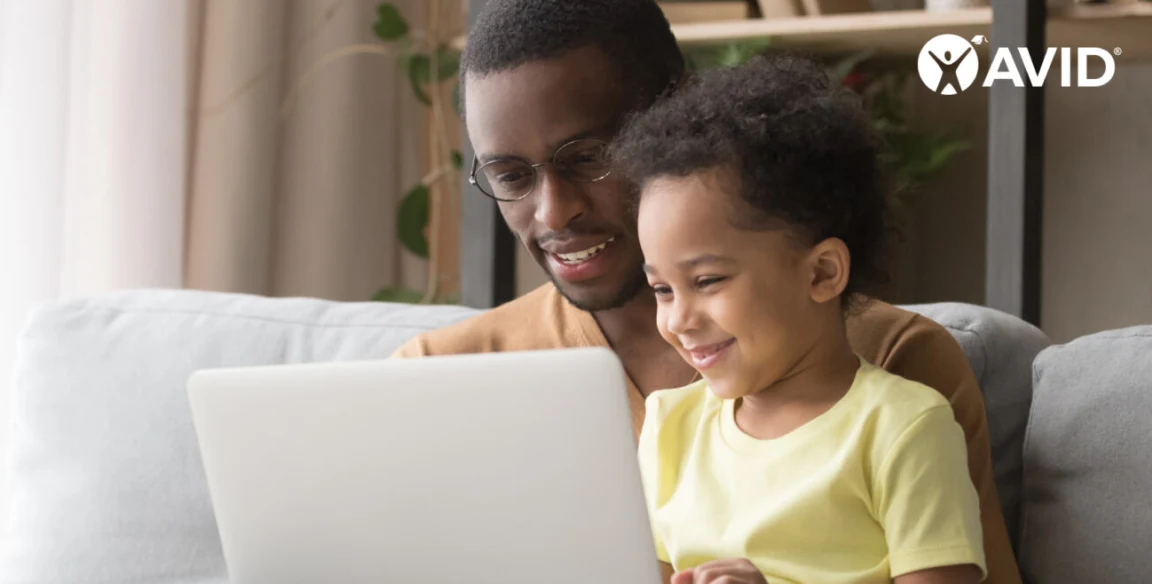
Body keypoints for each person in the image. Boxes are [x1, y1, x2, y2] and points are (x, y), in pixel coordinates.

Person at [391, 1, 1020, 582]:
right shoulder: (436, 377)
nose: (553, 213)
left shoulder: (900, 369)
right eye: (510, 175)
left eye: (588, 157)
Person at [613, 53, 985, 584]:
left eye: (708, 281)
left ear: (822, 273)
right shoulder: (670, 427)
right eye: (661, 289)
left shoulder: (901, 429)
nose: (678, 319)